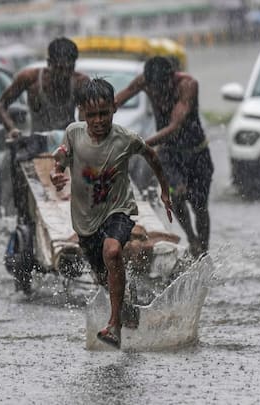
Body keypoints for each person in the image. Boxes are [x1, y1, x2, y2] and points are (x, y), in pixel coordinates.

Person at [50, 78, 173, 349]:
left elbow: (151, 156)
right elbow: (60, 157)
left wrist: (165, 191)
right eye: (91, 115)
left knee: (113, 251)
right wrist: (56, 173)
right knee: (104, 277)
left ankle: (114, 325)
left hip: (120, 210)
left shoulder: (125, 139)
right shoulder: (74, 133)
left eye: (103, 113)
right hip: (85, 221)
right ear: (82, 112)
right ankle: (126, 310)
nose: (97, 121)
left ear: (114, 109)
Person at [115, 56, 213, 256]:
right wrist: (97, 114)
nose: (158, 94)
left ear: (171, 78)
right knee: (175, 196)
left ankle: (203, 251)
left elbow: (174, 127)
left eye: (161, 88)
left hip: (197, 154)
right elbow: (118, 100)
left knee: (199, 206)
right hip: (168, 154)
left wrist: (141, 144)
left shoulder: (187, 85)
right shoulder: (145, 81)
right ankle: (192, 239)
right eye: (154, 89)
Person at [0, 37, 89, 140]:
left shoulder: (80, 82)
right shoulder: (30, 78)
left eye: (70, 68)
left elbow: (86, 115)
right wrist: (12, 129)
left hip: (68, 144)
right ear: (49, 63)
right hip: (37, 145)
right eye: (60, 68)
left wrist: (83, 124)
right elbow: (1, 104)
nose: (65, 74)